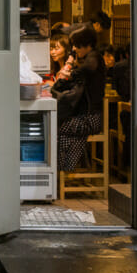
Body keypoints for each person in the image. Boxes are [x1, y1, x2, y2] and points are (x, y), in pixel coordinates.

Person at [52, 26, 107, 173]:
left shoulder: (93, 58)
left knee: (57, 126)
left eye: (77, 45)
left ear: (87, 45)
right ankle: (66, 167)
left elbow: (87, 68)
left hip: (90, 119)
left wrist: (71, 72)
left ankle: (64, 168)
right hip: (88, 117)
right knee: (59, 124)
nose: (75, 49)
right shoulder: (90, 58)